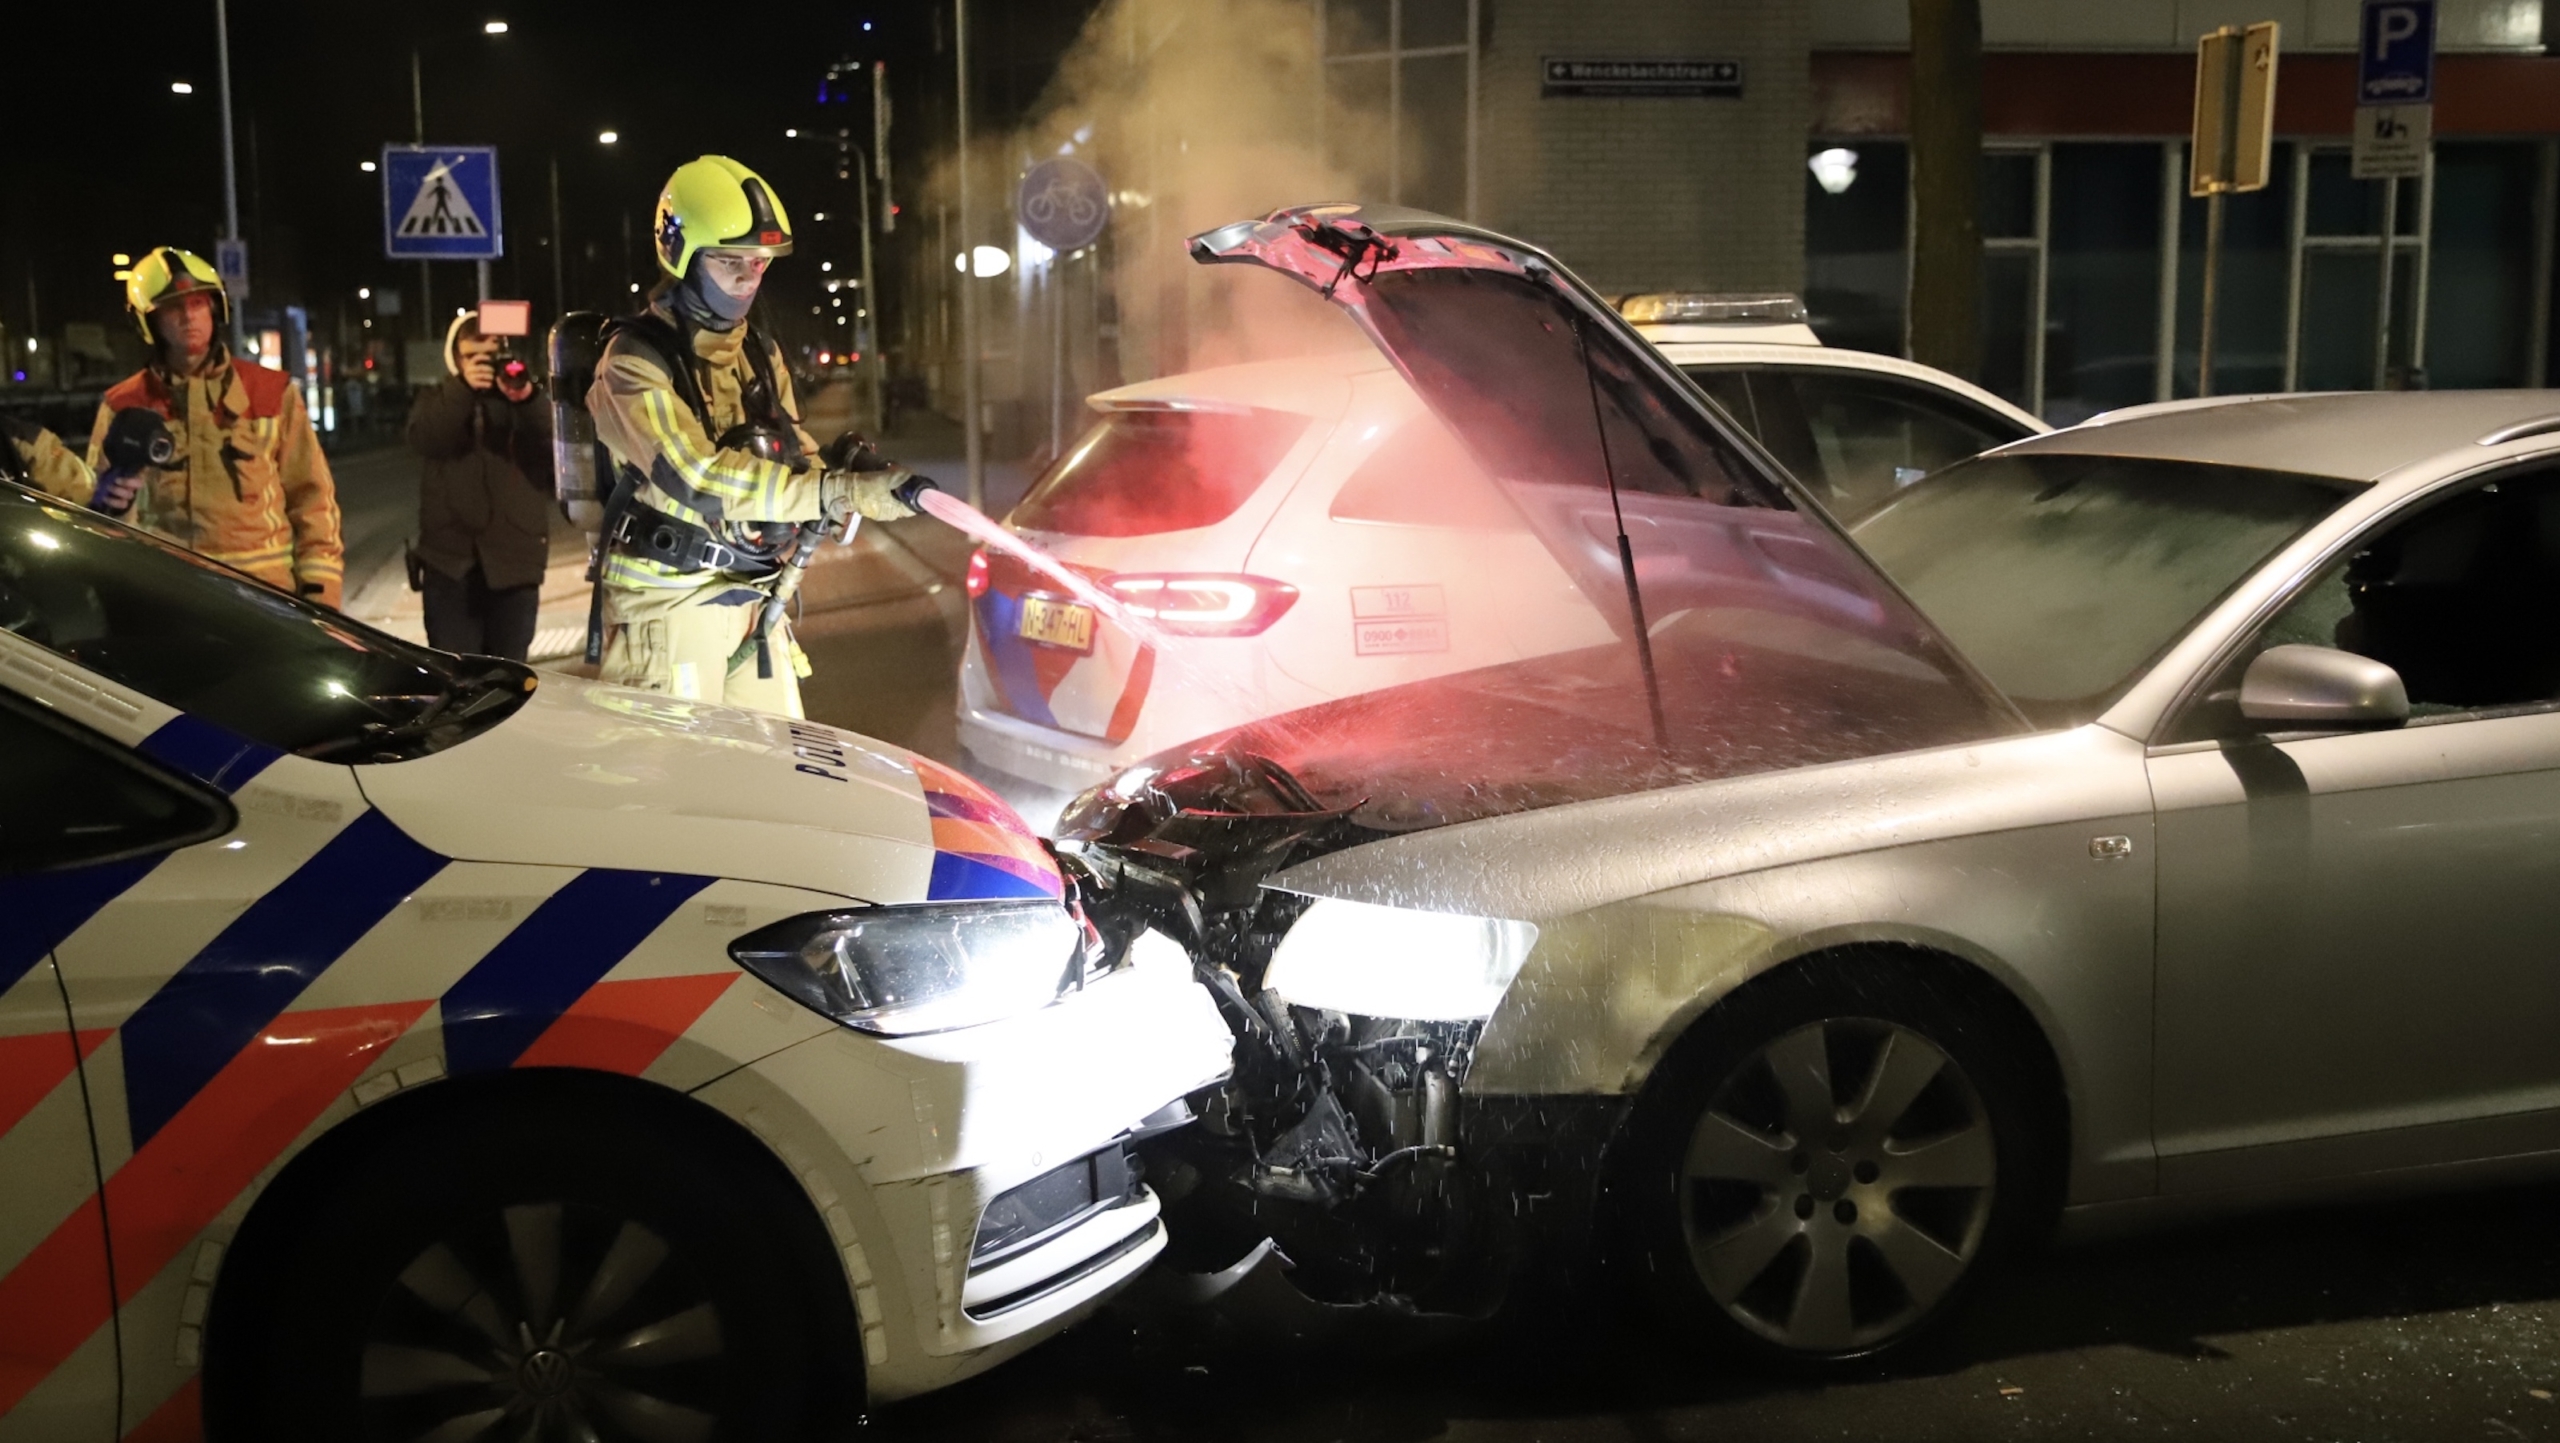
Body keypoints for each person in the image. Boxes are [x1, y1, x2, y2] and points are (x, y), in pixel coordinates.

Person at [587, 155, 921, 715]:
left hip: (754, 597)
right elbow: (693, 475)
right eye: (728, 261)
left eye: (760, 262)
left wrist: (841, 480)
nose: (747, 276)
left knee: (782, 774)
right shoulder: (632, 361)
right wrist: (825, 492)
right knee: (684, 791)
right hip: (669, 608)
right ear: (682, 256)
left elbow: (795, 457)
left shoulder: (760, 354)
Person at [88, 246, 344, 606]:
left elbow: (313, 500)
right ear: (150, 322)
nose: (189, 317)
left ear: (215, 308)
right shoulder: (123, 404)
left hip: (266, 602)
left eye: (198, 304)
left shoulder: (272, 393)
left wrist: (321, 597)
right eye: (174, 308)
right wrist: (110, 502)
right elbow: (92, 509)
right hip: (166, 602)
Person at [407, 308, 553, 659]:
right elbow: (427, 439)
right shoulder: (439, 397)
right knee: (455, 674)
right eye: (472, 357)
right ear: (455, 359)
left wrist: (526, 398)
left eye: (489, 357)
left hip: (515, 563)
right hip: (449, 564)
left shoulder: (523, 397)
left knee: (508, 675)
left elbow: (557, 445)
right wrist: (462, 389)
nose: (482, 365)